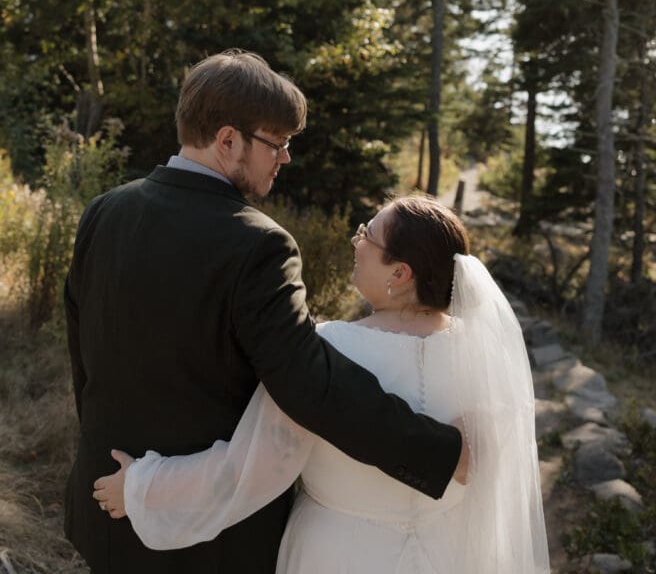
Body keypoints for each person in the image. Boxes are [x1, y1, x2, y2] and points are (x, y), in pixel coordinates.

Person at [64, 51, 465, 574]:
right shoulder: (258, 244)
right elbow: (309, 386)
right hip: (209, 543)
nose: (287, 158)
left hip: (102, 509)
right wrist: (440, 452)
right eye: (277, 143)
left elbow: (83, 359)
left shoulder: (104, 210)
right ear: (228, 140)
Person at [93, 196, 550, 574]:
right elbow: (491, 470)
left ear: (400, 274)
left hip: (338, 554)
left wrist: (142, 487)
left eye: (367, 234)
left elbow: (251, 465)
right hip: (452, 555)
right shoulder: (484, 355)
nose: (356, 242)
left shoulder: (329, 348)